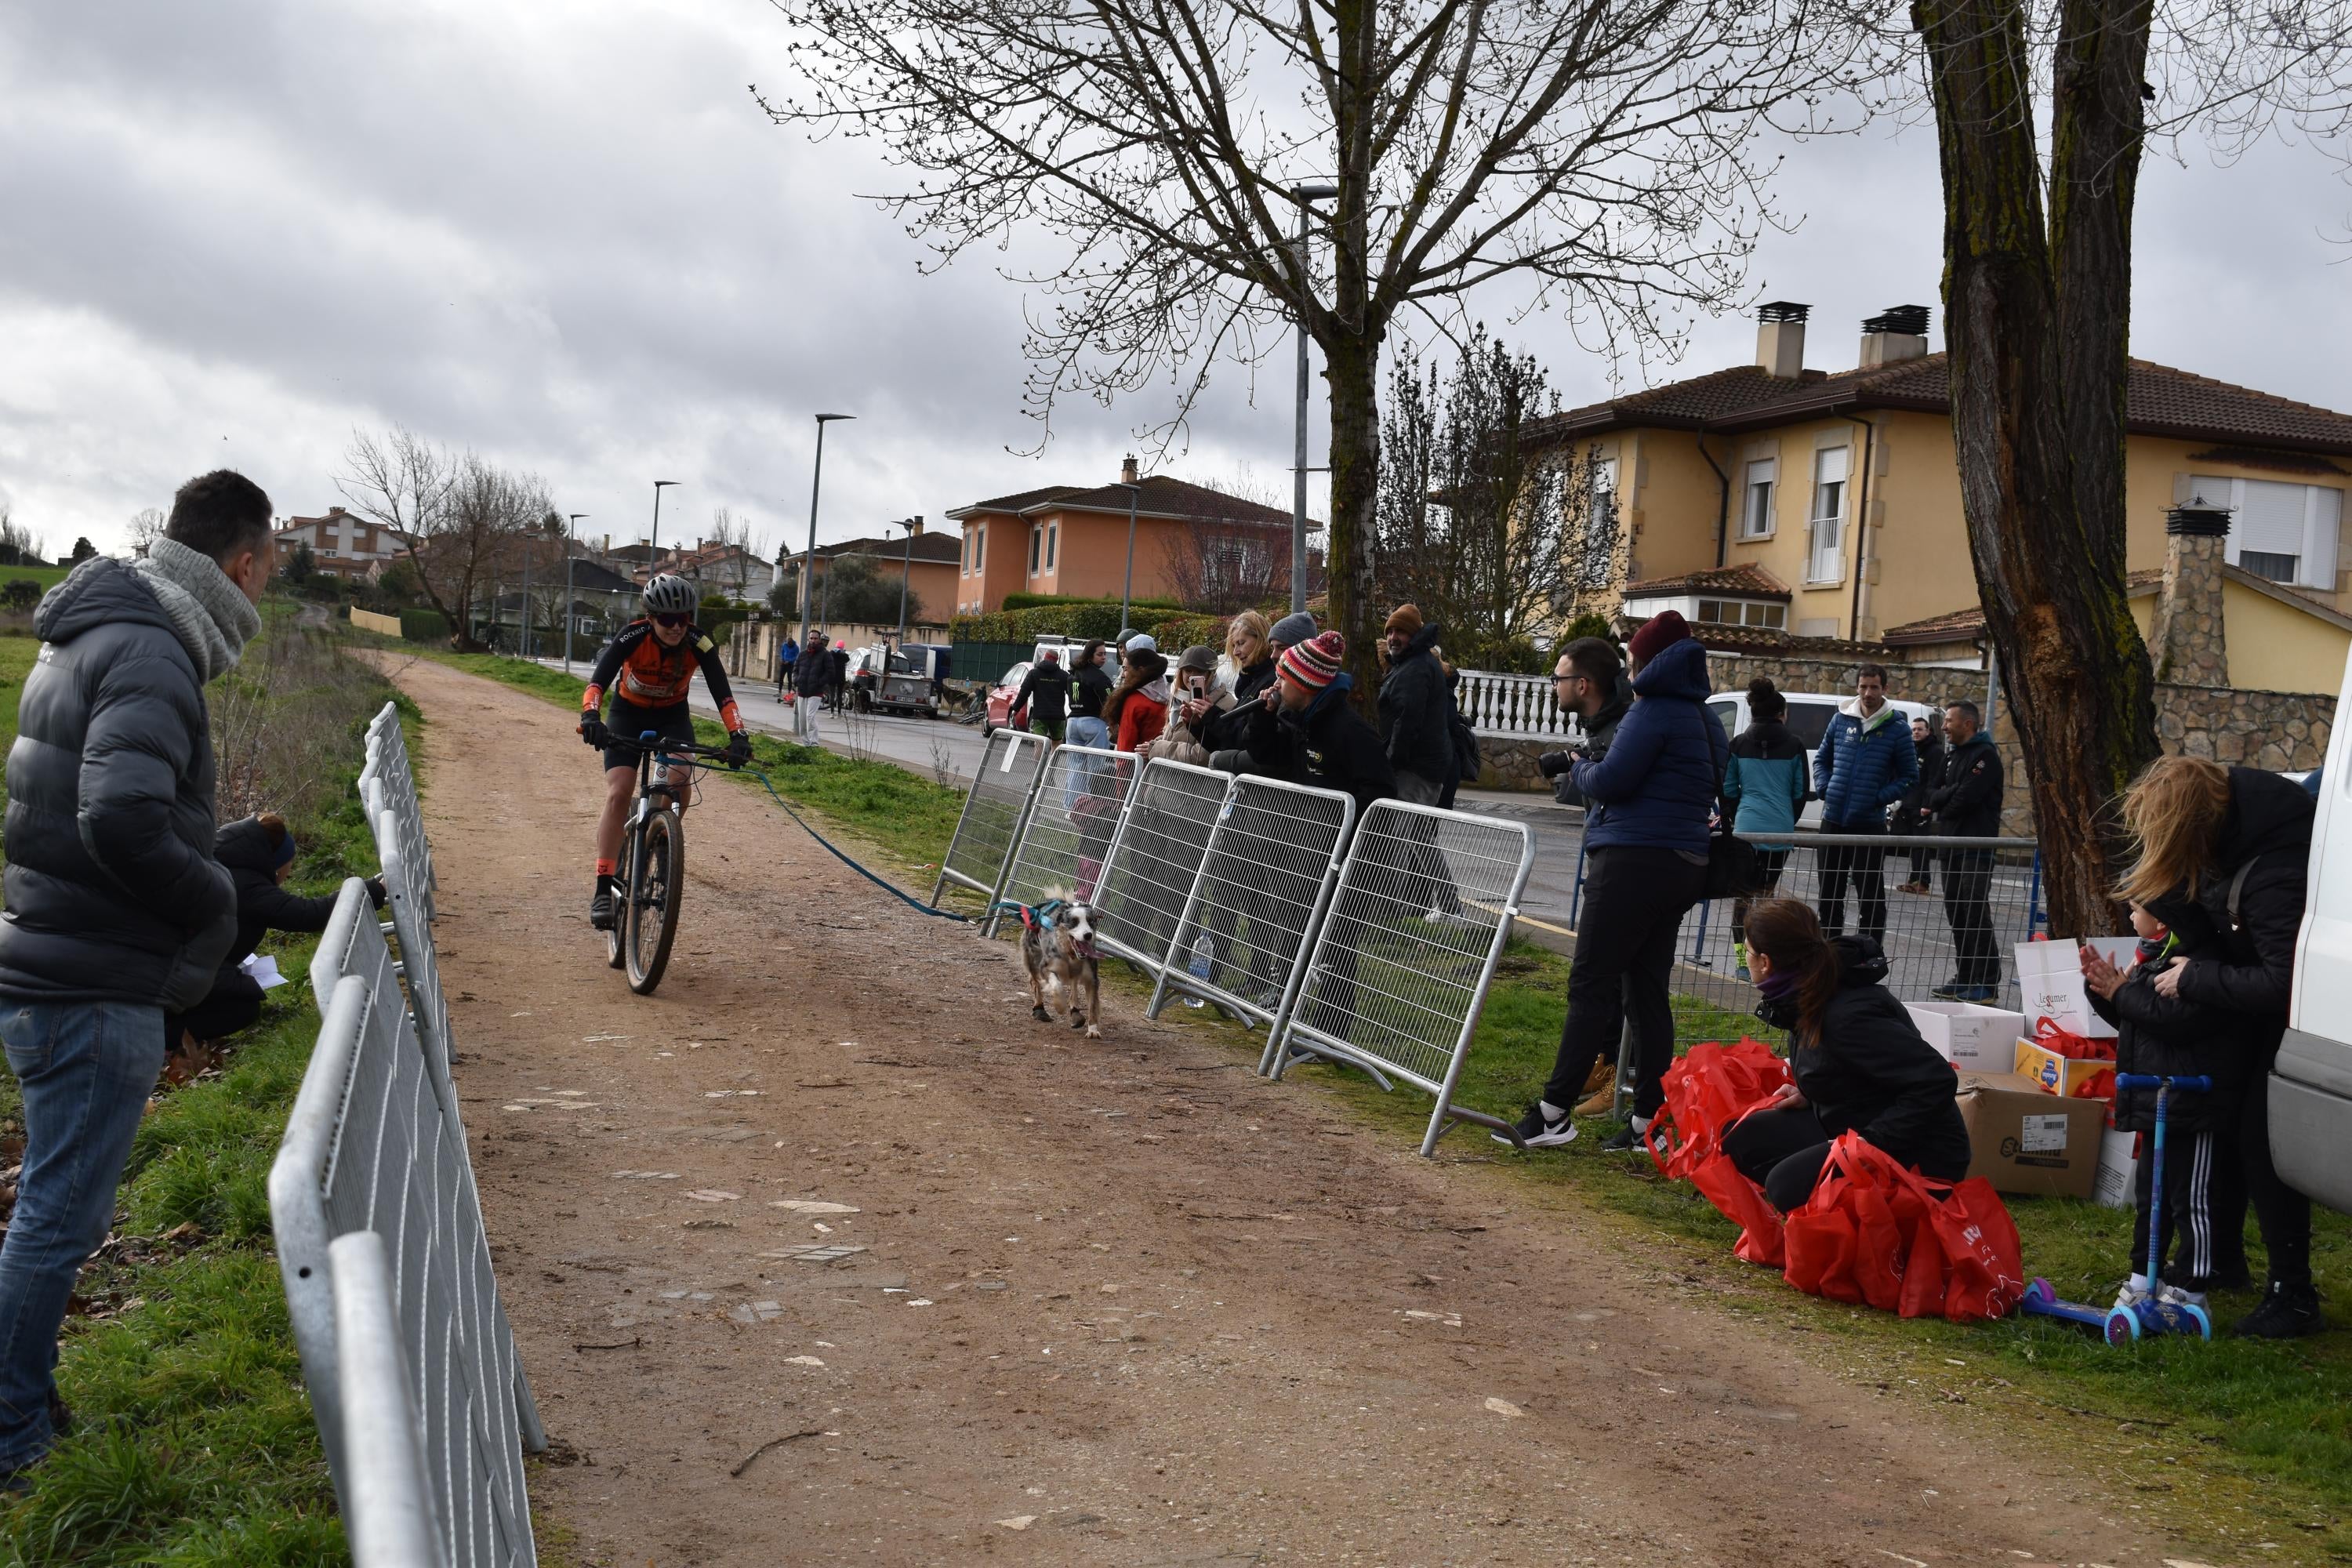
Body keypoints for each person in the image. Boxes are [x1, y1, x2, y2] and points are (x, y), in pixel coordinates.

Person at [0, 468, 273, 1483]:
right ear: (239, 565)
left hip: (55, 960)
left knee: (56, 1211)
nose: (265, 594)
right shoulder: (154, 652)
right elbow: (115, 815)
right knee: (58, 1218)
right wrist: (213, 900)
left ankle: (31, 1402)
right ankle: (13, 1434)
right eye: (268, 572)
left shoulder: (96, 633)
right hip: (89, 983)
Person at [2112, 755, 2320, 1338]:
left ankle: (2293, 1291)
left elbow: (2284, 982)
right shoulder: (2243, 830)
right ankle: (2224, 1260)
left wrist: (2197, 978)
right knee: (2230, 1127)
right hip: (2240, 1011)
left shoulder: (2274, 867)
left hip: (2278, 1017)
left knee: (2260, 1137)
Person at [1504, 610, 1720, 1152]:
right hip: (1682, 863)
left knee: (1590, 985)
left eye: (1633, 655)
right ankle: (1650, 1121)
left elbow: (1612, 781)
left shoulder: (1651, 713)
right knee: (1647, 994)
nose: (1628, 665)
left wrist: (1577, 769)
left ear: (1646, 660)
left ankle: (1554, 1112)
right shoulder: (1704, 715)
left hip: (1631, 861)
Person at [1722, 900, 1972, 1211]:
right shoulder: (1810, 990)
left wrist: (1870, 1143)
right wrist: (1809, 1094)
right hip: (1853, 1122)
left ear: (1766, 962)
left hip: (1917, 1150)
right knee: (1739, 1141)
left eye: (1746, 951)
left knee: (1784, 1186)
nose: (1745, 958)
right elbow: (1852, 1073)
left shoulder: (1847, 1016)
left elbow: (1936, 1080)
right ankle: (1831, 1207)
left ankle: (1878, 1216)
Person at [2082, 898, 2244, 1315]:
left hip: (2192, 1101)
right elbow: (2136, 1021)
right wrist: (2105, 989)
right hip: (2158, 1098)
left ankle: (2192, 1287)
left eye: (2137, 909)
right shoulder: (2155, 958)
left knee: (2191, 1199)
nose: (2130, 917)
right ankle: (2142, 1277)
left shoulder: (2197, 964)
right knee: (2150, 1195)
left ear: (2166, 917)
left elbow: (2172, 1021)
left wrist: (2122, 991)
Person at [577, 574, 752, 930]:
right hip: (627, 714)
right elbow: (598, 682)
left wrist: (738, 736)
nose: (676, 627)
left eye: (683, 618)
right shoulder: (632, 636)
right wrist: (591, 716)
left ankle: (661, 836)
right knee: (619, 793)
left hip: (672, 716)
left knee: (679, 778)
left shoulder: (698, 643)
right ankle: (602, 885)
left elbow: (724, 694)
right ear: (651, 617)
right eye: (667, 619)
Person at [1253, 632, 1396, 1039]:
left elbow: (1381, 793)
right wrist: (1262, 718)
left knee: (1334, 943)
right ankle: (1294, 1015)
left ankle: (1331, 1031)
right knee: (1295, 932)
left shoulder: (1348, 730)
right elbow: (1269, 760)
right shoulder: (1299, 721)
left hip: (1344, 855)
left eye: (1283, 678)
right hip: (1304, 848)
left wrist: (1343, 831)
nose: (1276, 684)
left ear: (1304, 684)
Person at [169, 813, 387, 1063]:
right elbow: (309, 915)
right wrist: (374, 889)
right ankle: (167, 1036)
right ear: (278, 863)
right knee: (243, 1007)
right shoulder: (247, 886)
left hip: (165, 962)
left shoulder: (214, 860)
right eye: (290, 865)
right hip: (175, 971)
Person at [1812, 663, 1917, 947]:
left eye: (1874, 687)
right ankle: (1830, 954)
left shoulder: (1898, 728)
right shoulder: (1840, 719)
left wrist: (1878, 797)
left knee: (1870, 896)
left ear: (1885, 689)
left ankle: (1869, 954)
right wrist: (1825, 787)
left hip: (1868, 825)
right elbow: (1821, 761)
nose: (1868, 693)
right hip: (1833, 821)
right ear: (1857, 687)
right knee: (1829, 895)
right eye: (1863, 686)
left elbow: (1909, 776)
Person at [1722, 676, 1807, 982]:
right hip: (1779, 830)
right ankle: (1767, 964)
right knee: (1767, 899)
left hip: (1746, 828)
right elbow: (1800, 792)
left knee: (1742, 901)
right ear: (1781, 713)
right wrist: (1787, 818)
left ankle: (1741, 963)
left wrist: (1735, 815)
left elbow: (1729, 790)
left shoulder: (1738, 744)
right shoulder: (1795, 745)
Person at [1927, 700, 2005, 1001]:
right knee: (1957, 913)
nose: (1944, 726)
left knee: (1975, 911)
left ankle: (1987, 981)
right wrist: (1945, 798)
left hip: (1975, 848)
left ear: (1968, 724)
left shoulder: (1985, 757)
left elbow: (1966, 799)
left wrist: (1944, 801)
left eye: (1949, 721)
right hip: (1951, 847)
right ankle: (1965, 975)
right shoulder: (1950, 758)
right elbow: (1932, 794)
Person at [1536, 637, 1631, 808]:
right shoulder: (1601, 725)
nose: (1554, 687)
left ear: (1582, 685)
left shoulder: (1620, 735)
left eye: (1557, 679)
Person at [1376, 604, 1451, 807]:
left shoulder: (1416, 668)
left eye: (1400, 631)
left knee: (1405, 834)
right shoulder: (1409, 664)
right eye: (1390, 632)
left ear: (1415, 635)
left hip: (1415, 769)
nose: (1393, 638)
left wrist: (1388, 764)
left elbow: (1407, 723)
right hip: (1417, 767)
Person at [1147, 645, 1231, 764]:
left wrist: (1158, 748)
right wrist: (1154, 744)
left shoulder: (1226, 704)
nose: (1192, 676)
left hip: (1194, 781)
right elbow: (1173, 736)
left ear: (1211, 674)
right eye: (1188, 670)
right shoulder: (1178, 698)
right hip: (1164, 778)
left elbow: (1202, 756)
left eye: (1200, 671)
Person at [1892, 714, 1945, 895]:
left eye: (1920, 729)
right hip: (1907, 804)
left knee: (1920, 845)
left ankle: (1922, 881)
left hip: (1921, 806)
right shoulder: (1912, 749)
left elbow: (1934, 780)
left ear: (1928, 731)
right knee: (1907, 844)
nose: (1916, 732)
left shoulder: (1935, 752)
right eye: (1913, 729)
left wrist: (1928, 805)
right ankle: (1914, 879)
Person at [1106, 637, 1170, 754]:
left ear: (1140, 669)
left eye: (1126, 669)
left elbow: (1126, 743)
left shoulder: (1134, 701)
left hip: (1135, 766)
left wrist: (1122, 770)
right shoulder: (1166, 694)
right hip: (1158, 766)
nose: (1124, 675)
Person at [1012, 646, 1072, 745]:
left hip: (1040, 716)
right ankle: (1054, 760)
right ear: (1056, 661)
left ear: (1045, 657)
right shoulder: (1064, 676)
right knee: (1057, 742)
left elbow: (1024, 692)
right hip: (1058, 716)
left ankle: (1038, 761)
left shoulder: (1034, 673)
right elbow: (1072, 694)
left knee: (1039, 743)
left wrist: (1016, 708)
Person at [1066, 639, 1115, 750]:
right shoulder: (1099, 677)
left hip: (1072, 723)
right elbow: (1110, 701)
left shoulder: (1073, 673)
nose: (1104, 657)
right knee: (1096, 766)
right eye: (1100, 654)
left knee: (1073, 767)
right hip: (1093, 723)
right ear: (1089, 655)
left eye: (1105, 654)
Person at [827, 639, 850, 712]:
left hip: (832, 677)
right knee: (839, 695)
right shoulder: (844, 655)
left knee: (832, 694)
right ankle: (839, 712)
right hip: (841, 677)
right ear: (843, 647)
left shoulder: (831, 653)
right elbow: (847, 659)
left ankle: (832, 712)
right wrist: (843, 652)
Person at [775, 633, 799, 699]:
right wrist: (782, 658)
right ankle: (779, 691)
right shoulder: (785, 645)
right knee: (781, 677)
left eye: (790, 645)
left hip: (790, 664)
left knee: (789, 678)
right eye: (788, 644)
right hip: (784, 663)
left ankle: (789, 692)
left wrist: (790, 661)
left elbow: (796, 656)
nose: (789, 645)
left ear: (792, 643)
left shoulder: (796, 647)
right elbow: (782, 652)